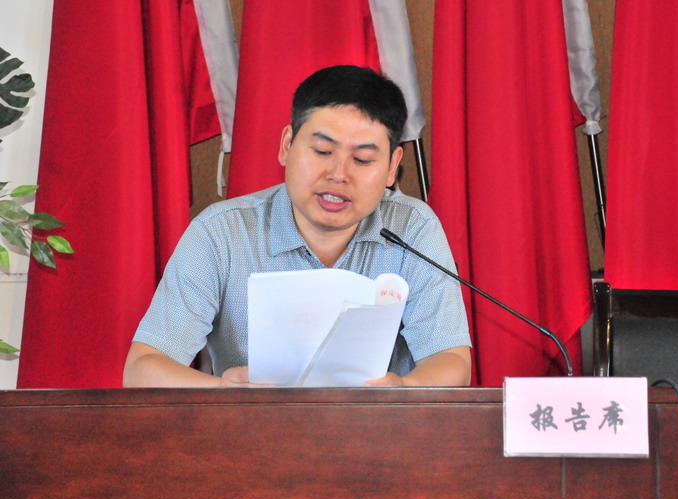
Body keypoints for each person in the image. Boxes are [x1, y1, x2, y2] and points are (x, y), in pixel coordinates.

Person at [123, 65, 471, 388]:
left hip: (376, 429)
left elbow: (451, 359)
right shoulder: (221, 233)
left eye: (362, 159)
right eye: (322, 151)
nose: (338, 174)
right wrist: (224, 392)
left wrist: (404, 389)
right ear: (287, 145)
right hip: (250, 429)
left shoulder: (412, 228)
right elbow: (143, 367)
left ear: (392, 166)